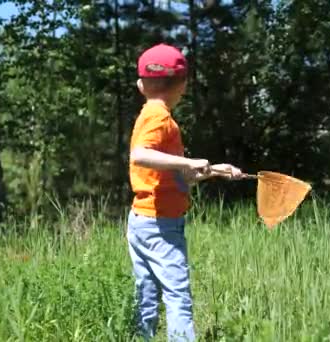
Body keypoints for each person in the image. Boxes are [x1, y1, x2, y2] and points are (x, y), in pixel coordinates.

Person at [127, 43, 243, 341]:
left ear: (141, 85)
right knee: (177, 296)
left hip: (142, 220)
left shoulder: (147, 115)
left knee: (147, 294)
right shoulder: (160, 118)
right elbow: (140, 155)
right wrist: (188, 160)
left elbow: (177, 176)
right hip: (161, 224)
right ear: (183, 85)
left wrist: (216, 170)